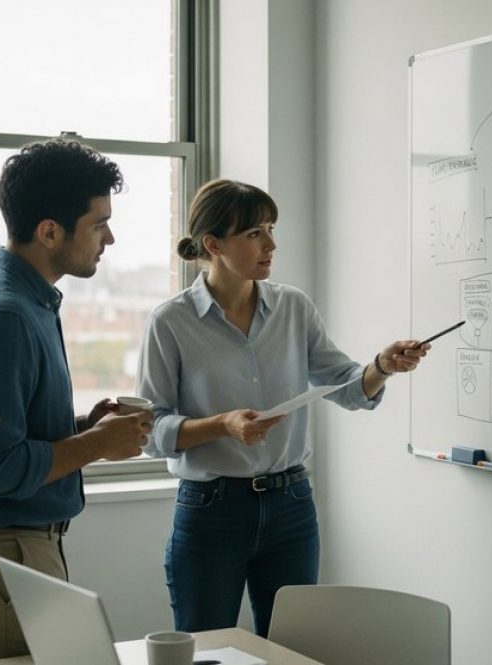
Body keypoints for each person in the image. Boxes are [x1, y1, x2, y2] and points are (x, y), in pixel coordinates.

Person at [136, 178, 429, 637]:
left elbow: (348, 387)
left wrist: (382, 366)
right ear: (213, 244)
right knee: (205, 646)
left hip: (291, 503)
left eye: (271, 228)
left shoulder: (294, 306)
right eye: (255, 233)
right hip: (212, 509)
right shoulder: (171, 321)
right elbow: (150, 431)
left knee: (294, 647)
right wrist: (223, 425)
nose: (271, 244)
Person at [0, 138, 152, 663]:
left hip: (9, 547)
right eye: (98, 223)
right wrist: (94, 445)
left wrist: (81, 428)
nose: (110, 237)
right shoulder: (4, 316)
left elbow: (6, 435)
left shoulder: (25, 301)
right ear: (50, 231)